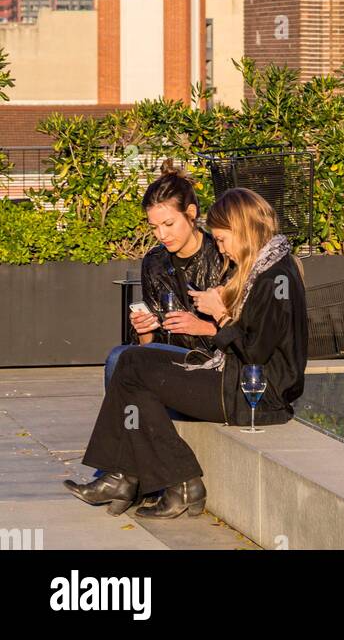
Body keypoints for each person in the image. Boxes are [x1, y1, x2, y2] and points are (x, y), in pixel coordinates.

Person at [64, 188, 308, 520]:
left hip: (253, 395)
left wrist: (218, 316)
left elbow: (255, 353)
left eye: (223, 240)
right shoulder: (264, 269)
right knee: (129, 360)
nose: (221, 248)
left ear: (244, 230)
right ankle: (133, 477)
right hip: (234, 379)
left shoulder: (276, 276)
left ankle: (163, 479)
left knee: (132, 369)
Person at [103, 163, 225, 391]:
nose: (162, 235)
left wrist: (204, 327)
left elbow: (249, 334)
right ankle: (124, 425)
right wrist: (145, 330)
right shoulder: (154, 261)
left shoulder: (222, 255)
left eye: (169, 224)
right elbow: (149, 345)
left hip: (213, 361)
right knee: (119, 357)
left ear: (191, 213)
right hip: (169, 359)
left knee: (122, 359)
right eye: (154, 227)